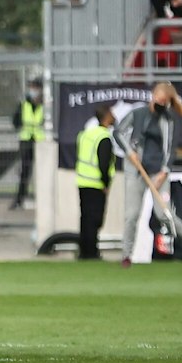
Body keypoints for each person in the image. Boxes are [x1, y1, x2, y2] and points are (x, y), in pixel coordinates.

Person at [111, 82, 182, 266]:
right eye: (158, 100)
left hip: (157, 172)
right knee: (131, 214)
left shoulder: (168, 120)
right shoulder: (138, 114)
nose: (160, 104)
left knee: (164, 213)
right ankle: (126, 255)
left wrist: (164, 172)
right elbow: (118, 133)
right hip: (136, 171)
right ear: (152, 97)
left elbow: (170, 148)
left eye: (164, 101)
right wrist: (129, 151)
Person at [74, 106, 116, 260]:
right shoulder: (103, 137)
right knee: (95, 219)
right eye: (111, 113)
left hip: (82, 181)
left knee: (85, 218)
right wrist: (106, 183)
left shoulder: (86, 134)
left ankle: (84, 251)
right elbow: (103, 163)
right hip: (96, 184)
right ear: (106, 116)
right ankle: (91, 253)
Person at [12, 82, 43, 209]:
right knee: (25, 171)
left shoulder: (45, 105)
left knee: (43, 172)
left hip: (41, 142)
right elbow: (15, 121)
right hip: (26, 140)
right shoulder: (24, 104)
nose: (33, 91)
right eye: (32, 88)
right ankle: (20, 199)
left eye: (35, 88)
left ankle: (42, 199)